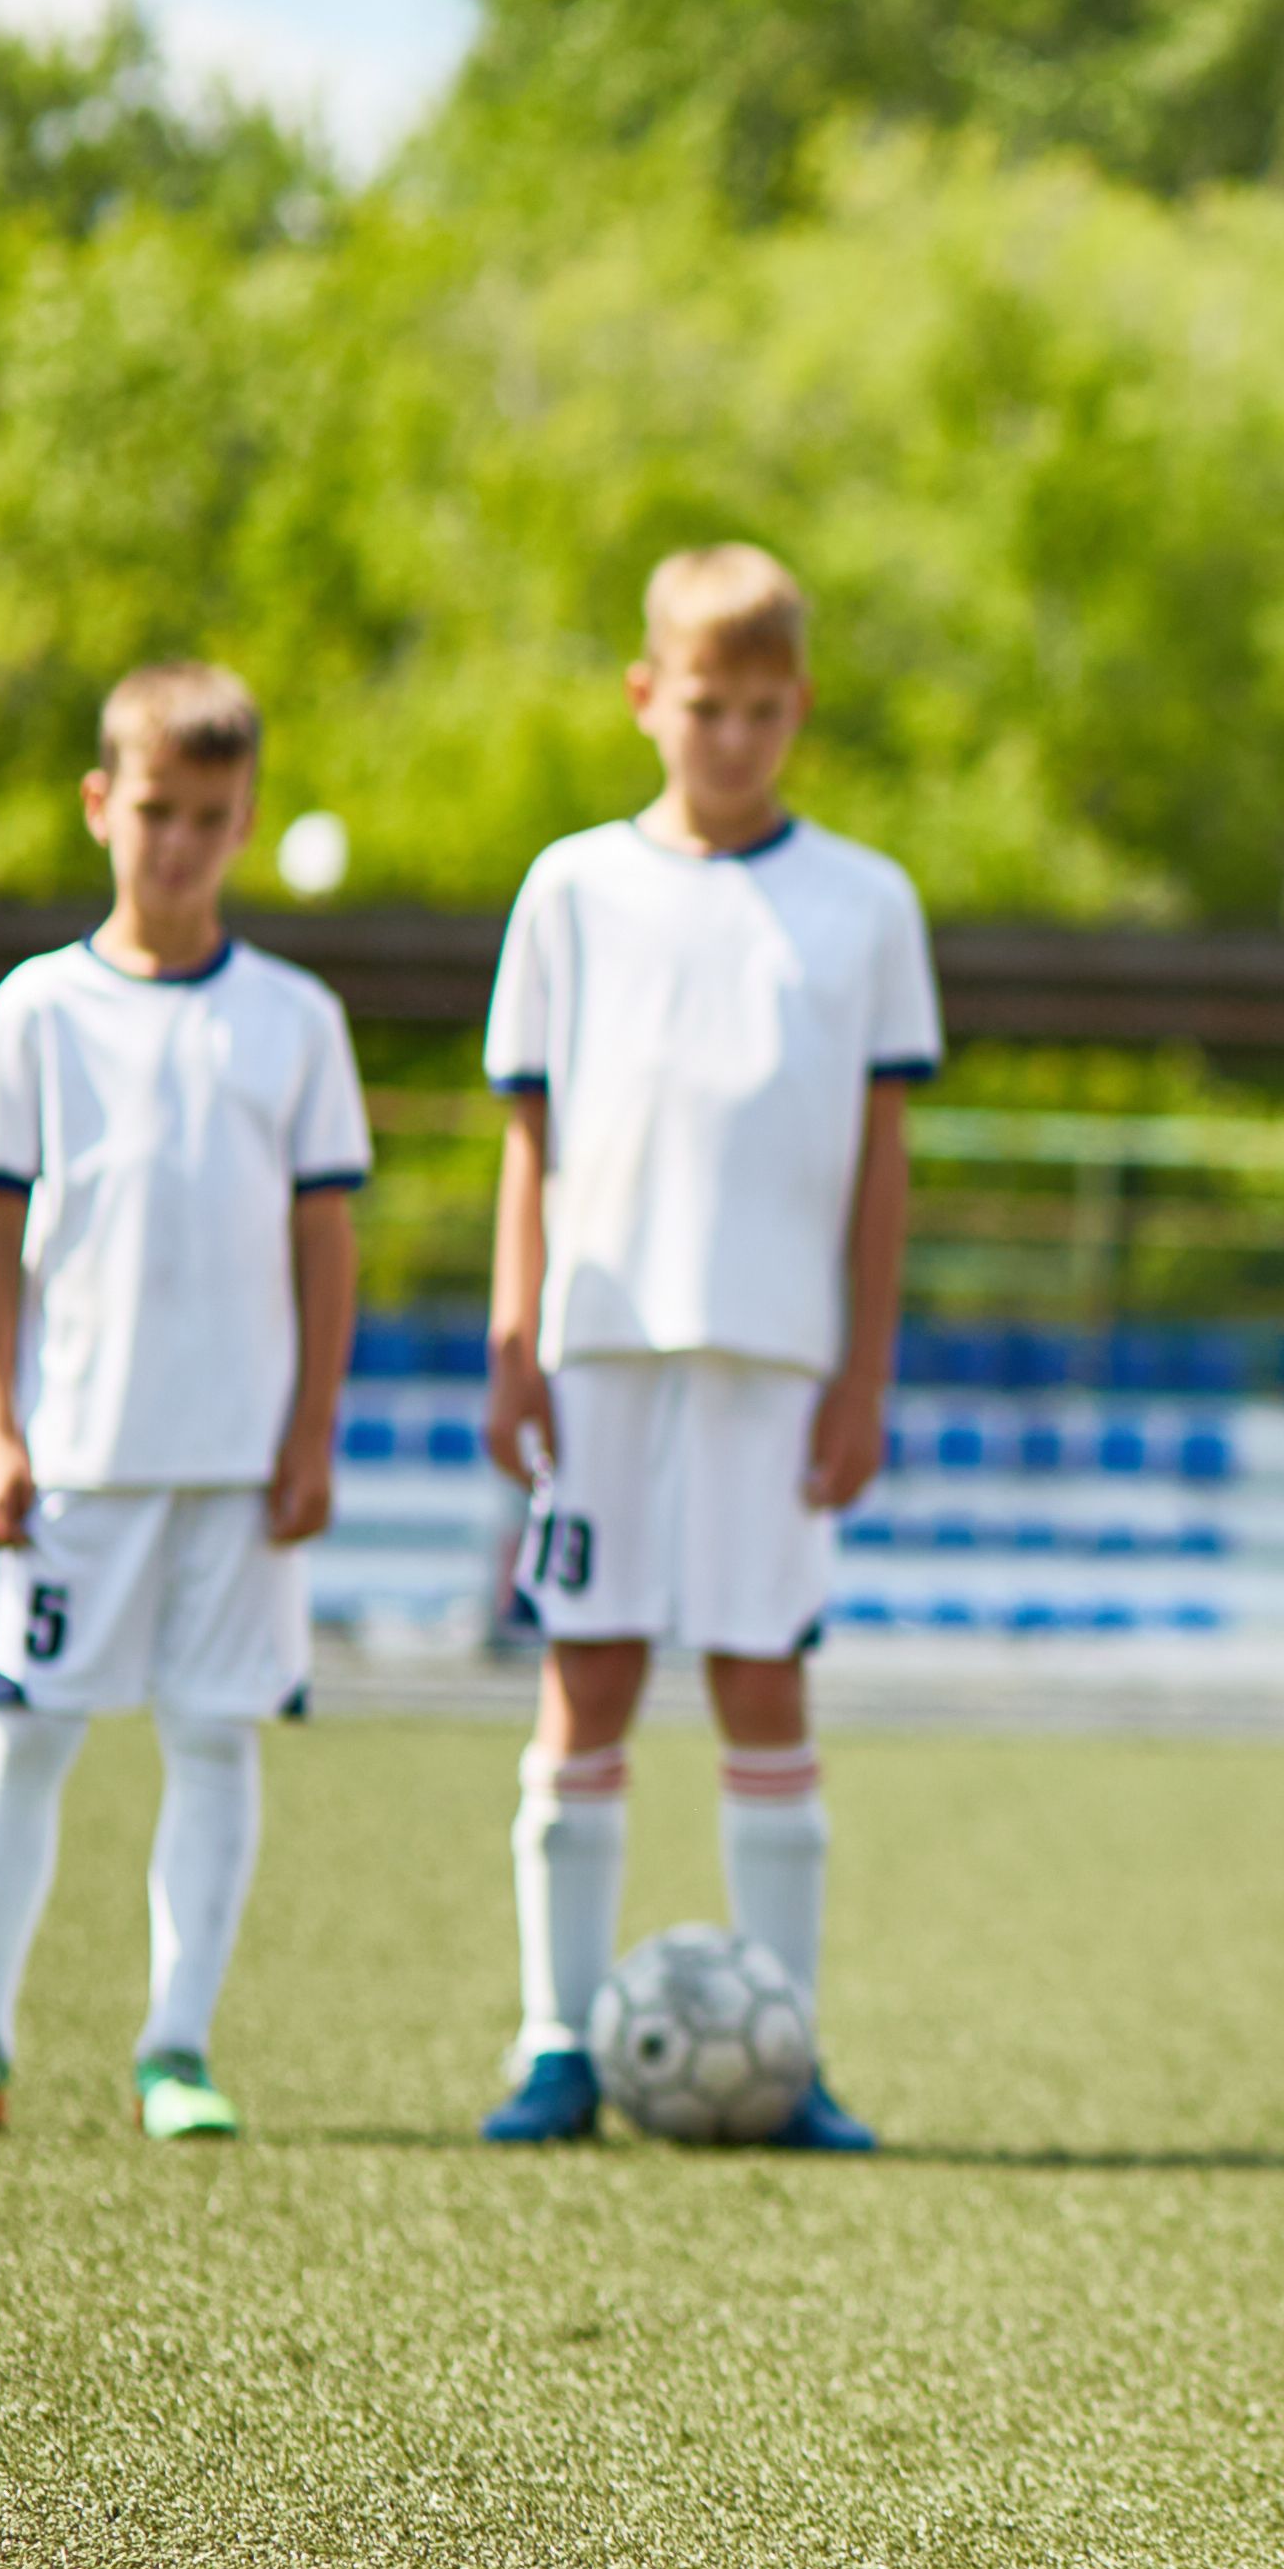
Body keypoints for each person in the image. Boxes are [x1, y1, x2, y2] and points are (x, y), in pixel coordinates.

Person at [474, 545, 939, 2149]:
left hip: (777, 1361)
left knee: (761, 1682)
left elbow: (883, 1159)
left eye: (759, 709)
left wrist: (864, 1369)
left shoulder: (866, 901)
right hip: (601, 1346)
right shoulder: (571, 890)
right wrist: (512, 1331)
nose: (730, 735)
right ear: (644, 699)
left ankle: (789, 2053)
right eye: (701, 704)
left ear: (797, 708)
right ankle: (554, 2041)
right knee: (586, 1672)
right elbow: (527, 1133)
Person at [0, 664, 365, 2143]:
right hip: (77, 1454)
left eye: (211, 819)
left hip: (238, 1463)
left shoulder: (295, 1019)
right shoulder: (39, 1010)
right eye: (155, 811)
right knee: (24, 1733)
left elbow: (325, 1237)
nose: (178, 843)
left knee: (214, 1738)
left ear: (246, 822)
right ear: (102, 805)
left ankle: (175, 2048)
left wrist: (312, 1434)